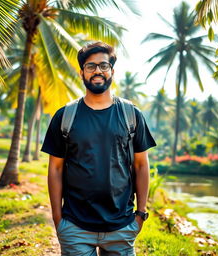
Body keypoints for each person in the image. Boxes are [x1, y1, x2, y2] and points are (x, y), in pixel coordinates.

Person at [41, 41, 156, 255]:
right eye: (90, 66)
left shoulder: (131, 115)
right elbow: (55, 169)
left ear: (112, 71)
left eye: (103, 65)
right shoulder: (65, 116)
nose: (97, 71)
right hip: (75, 226)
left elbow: (141, 165)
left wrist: (140, 214)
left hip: (121, 226)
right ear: (81, 72)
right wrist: (58, 219)